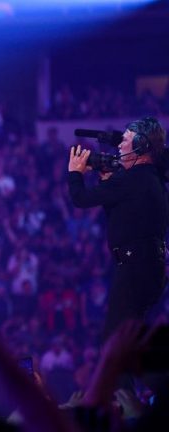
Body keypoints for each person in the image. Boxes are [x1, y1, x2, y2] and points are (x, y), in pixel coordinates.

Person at [68, 116, 168, 337]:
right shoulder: (151, 176)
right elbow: (120, 216)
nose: (120, 145)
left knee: (115, 340)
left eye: (126, 140)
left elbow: (80, 198)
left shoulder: (131, 179)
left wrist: (75, 172)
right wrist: (107, 182)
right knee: (130, 339)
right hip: (148, 266)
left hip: (136, 267)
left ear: (141, 146)